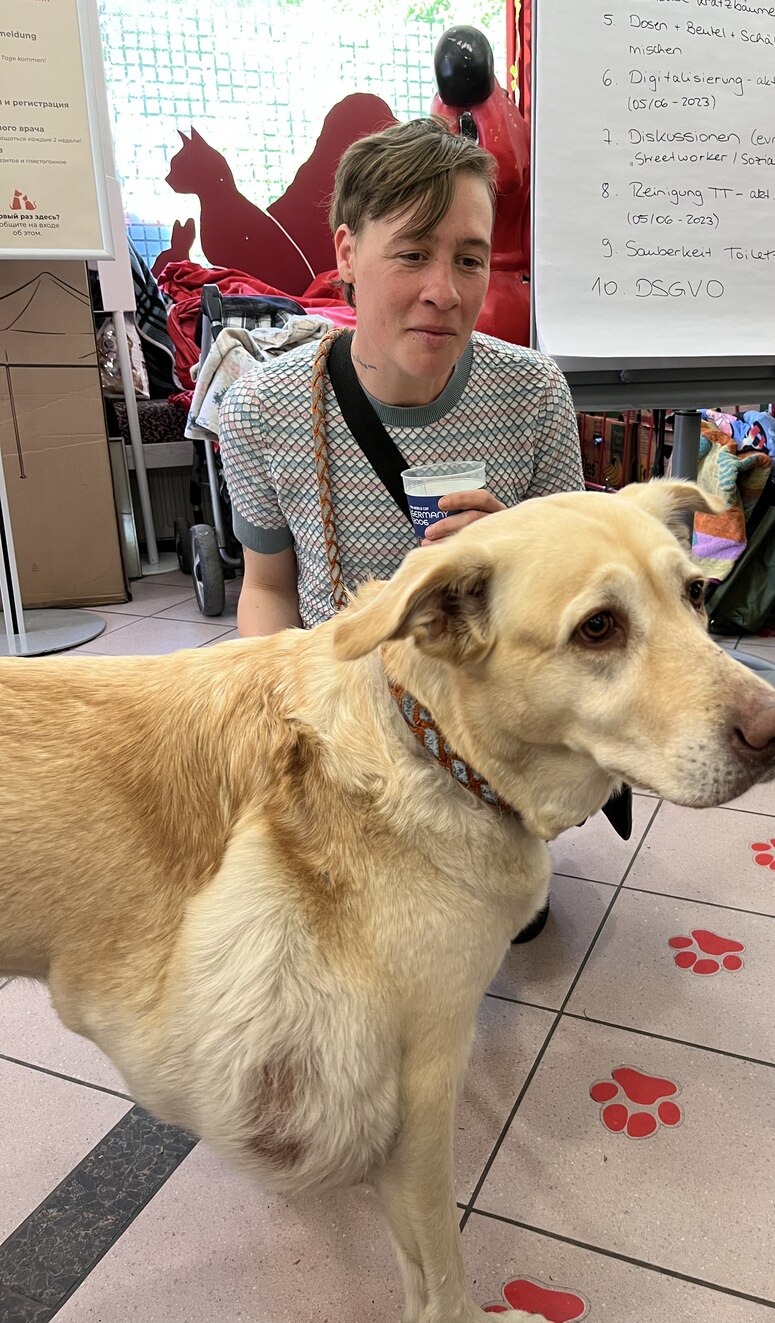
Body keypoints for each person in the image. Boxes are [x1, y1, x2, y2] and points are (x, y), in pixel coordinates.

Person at [217, 115, 585, 939]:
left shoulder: (531, 397)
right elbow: (268, 591)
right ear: (347, 253)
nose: (445, 292)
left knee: (496, 926)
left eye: (469, 257)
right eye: (413, 252)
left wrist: (514, 561)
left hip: (485, 726)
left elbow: (578, 602)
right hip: (342, 722)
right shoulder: (265, 413)